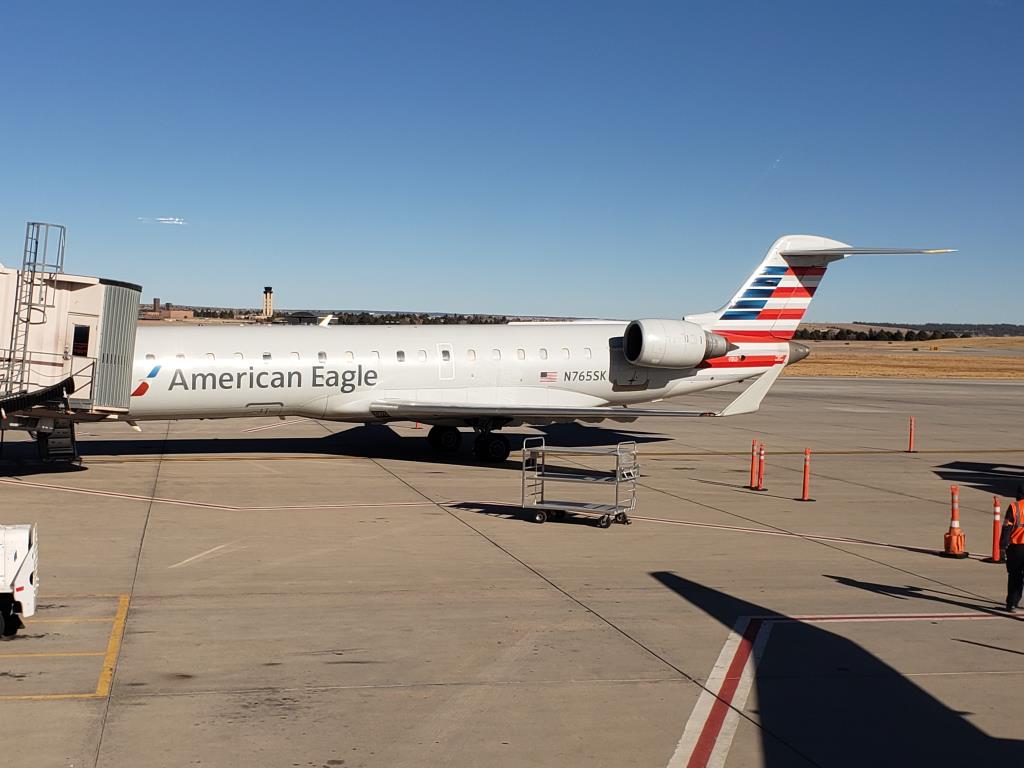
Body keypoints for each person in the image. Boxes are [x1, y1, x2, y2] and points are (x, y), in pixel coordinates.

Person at [1000, 485, 1024, 613]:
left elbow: (1007, 528)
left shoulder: (1015, 507)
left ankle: (1012, 604)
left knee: (1015, 575)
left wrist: (1002, 547)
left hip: (1017, 547)